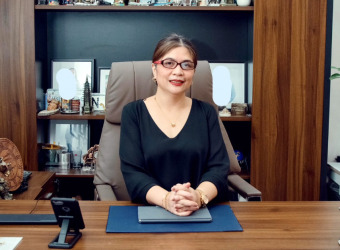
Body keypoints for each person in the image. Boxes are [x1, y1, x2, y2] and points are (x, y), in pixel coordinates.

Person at [120, 34, 230, 216]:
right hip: (150, 212)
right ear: (154, 69)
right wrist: (167, 200)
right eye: (169, 63)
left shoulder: (207, 112)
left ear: (193, 73)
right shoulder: (133, 113)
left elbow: (218, 168)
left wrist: (198, 197)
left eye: (186, 65)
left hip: (202, 212)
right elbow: (133, 173)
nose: (178, 71)